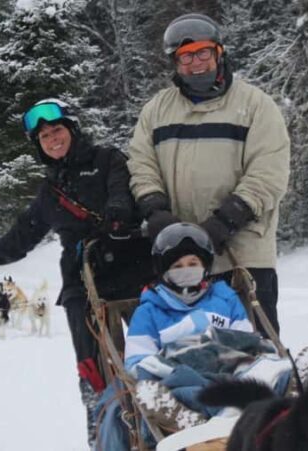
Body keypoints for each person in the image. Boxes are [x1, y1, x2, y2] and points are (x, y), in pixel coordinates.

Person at [0, 98, 139, 448]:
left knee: (152, 351)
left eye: (57, 130)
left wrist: (119, 210)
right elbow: (16, 242)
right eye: (44, 137)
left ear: (71, 129)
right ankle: (102, 434)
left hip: (130, 266)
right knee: (92, 368)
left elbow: (125, 190)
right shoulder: (50, 194)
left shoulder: (107, 159)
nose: (53, 139)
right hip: (82, 281)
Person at [126, 13, 290, 337]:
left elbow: (268, 171)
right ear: (175, 63)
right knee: (187, 354)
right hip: (181, 259)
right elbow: (141, 162)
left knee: (254, 351)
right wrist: (155, 208)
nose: (195, 63)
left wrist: (226, 220)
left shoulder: (256, 106)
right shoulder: (157, 110)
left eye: (202, 53)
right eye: (185, 57)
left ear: (219, 53)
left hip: (241, 254)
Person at [124, 222, 253, 374]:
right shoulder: (149, 311)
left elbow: (247, 343)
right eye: (178, 267)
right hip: (177, 386)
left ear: (205, 266)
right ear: (165, 272)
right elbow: (137, 362)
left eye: (193, 264)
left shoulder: (225, 299)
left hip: (229, 380)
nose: (186, 270)